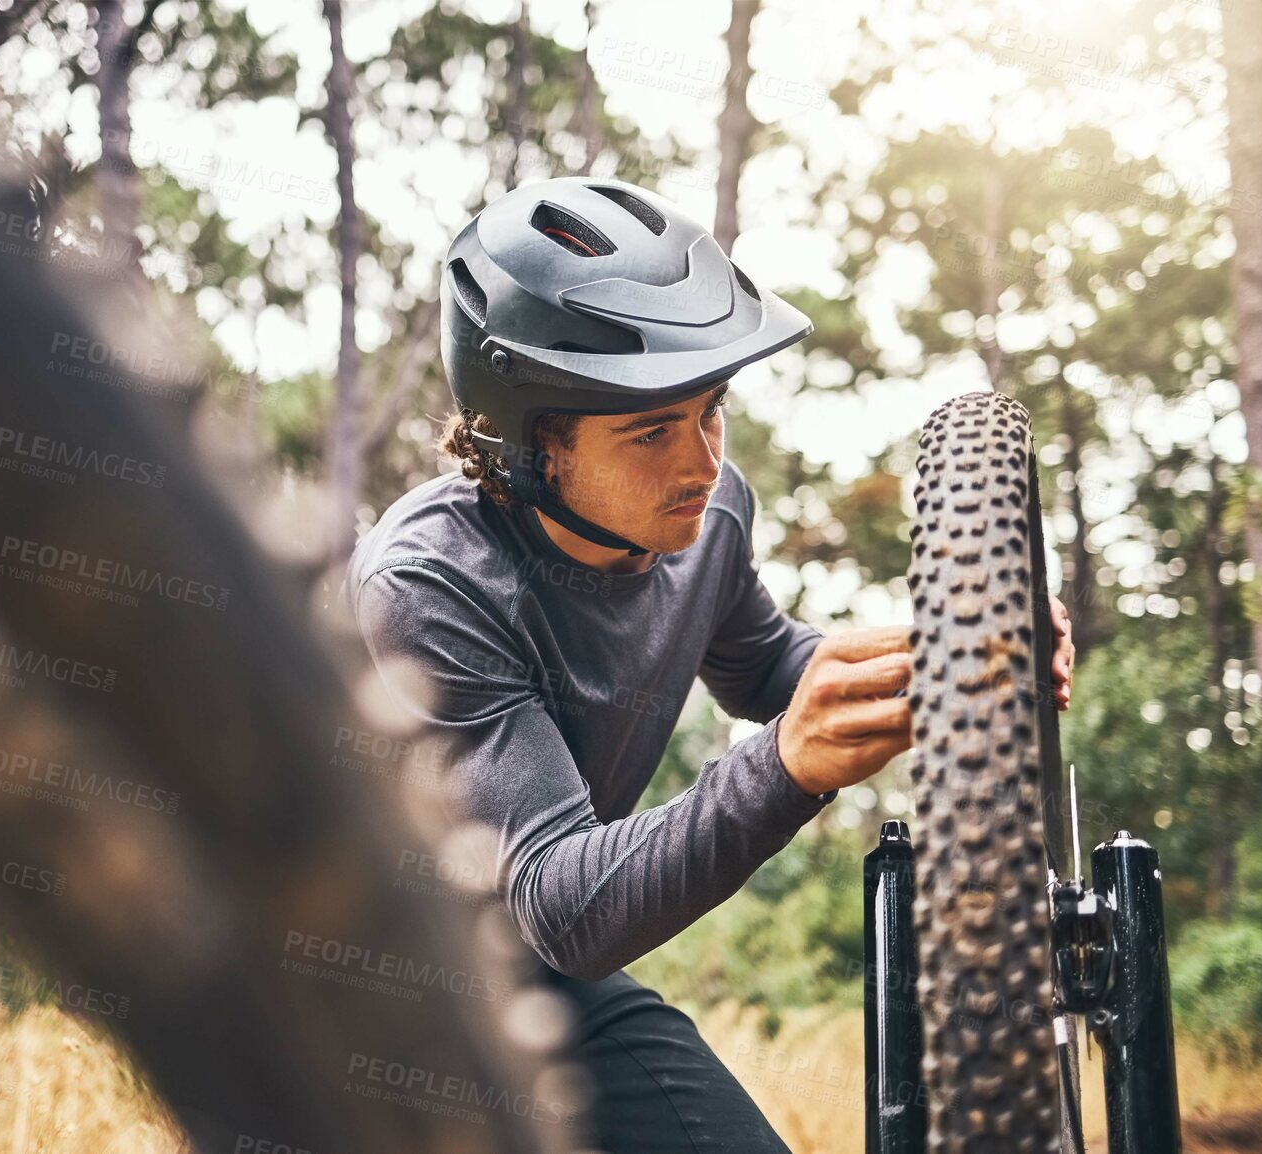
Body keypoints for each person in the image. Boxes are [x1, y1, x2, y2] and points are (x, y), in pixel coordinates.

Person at [342, 177, 1076, 1152]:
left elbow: (772, 666)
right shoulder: (429, 584)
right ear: (525, 450)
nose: (701, 461)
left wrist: (961, 652)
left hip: (529, 974)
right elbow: (564, 900)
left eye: (711, 408)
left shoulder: (708, 515)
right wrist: (784, 767)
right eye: (650, 430)